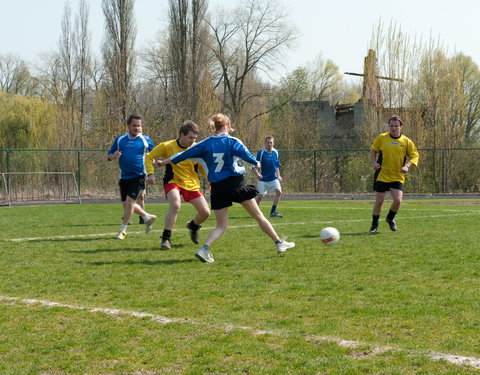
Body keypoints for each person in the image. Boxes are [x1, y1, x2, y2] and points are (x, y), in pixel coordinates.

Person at [159, 113, 295, 263]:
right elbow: (249, 156)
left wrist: (163, 162)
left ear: (214, 127)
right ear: (227, 126)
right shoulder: (232, 141)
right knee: (258, 216)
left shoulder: (205, 144)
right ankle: (279, 243)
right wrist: (256, 163)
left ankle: (204, 249)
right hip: (236, 184)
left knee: (221, 225)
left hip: (218, 188)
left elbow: (181, 155)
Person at [145, 121, 210, 250]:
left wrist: (210, 182)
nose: (193, 141)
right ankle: (166, 238)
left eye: (195, 138)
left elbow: (203, 167)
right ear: (181, 135)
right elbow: (149, 156)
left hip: (191, 183)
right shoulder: (167, 146)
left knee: (205, 213)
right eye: (190, 137)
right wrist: (150, 174)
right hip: (173, 181)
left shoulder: (196, 149)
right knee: (175, 205)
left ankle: (193, 226)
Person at [107, 114, 157, 239]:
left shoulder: (145, 140)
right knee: (126, 205)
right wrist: (114, 156)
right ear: (128, 126)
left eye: (139, 126)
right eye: (134, 125)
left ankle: (122, 231)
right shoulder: (120, 139)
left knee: (130, 202)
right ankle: (146, 217)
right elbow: (108, 155)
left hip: (139, 175)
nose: (137, 128)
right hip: (124, 176)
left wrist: (151, 172)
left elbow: (154, 154)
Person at [369, 115, 419, 234]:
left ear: (401, 127)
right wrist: (374, 162)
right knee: (379, 201)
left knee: (397, 201)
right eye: (391, 126)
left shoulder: (406, 141)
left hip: (397, 176)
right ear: (389, 126)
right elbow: (373, 150)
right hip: (382, 174)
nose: (393, 128)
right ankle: (374, 225)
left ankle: (390, 218)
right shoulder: (382, 138)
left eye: (396, 126)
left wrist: (407, 166)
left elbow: (415, 156)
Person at [254, 135, 284, 218]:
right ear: (265, 143)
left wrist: (279, 175)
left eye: (271, 142)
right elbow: (255, 166)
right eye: (268, 142)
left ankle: (273, 212)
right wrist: (257, 174)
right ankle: (255, 212)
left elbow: (277, 165)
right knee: (260, 196)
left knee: (279, 192)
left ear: (273, 143)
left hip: (273, 178)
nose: (269, 144)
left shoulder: (275, 152)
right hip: (263, 179)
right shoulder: (261, 152)